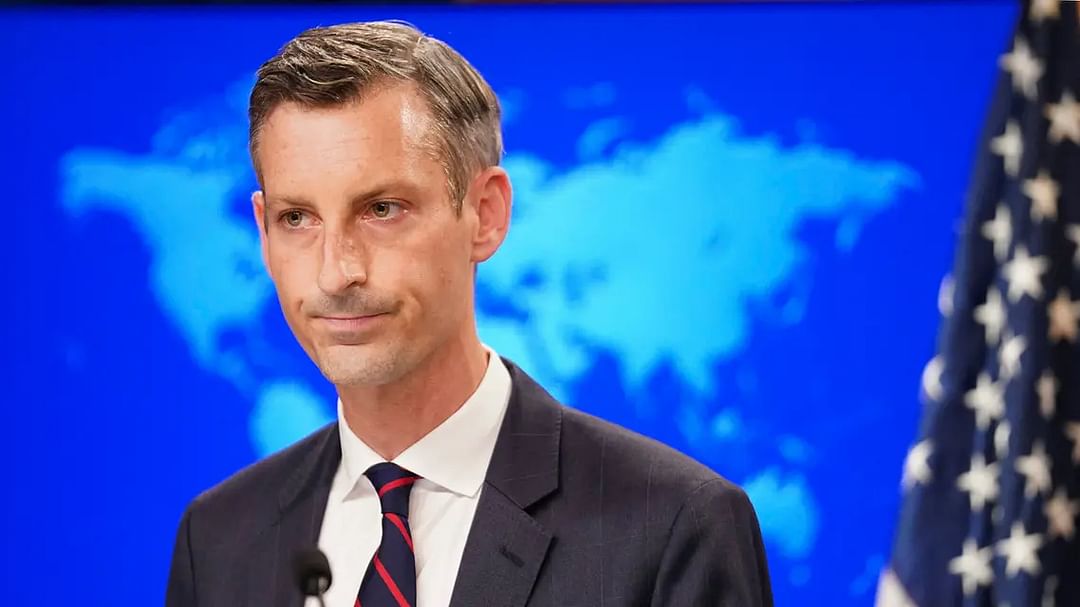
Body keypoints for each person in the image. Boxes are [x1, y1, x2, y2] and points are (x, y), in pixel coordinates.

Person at [165, 21, 772, 607]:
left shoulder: (673, 529)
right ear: (263, 231)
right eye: (296, 218)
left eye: (382, 209)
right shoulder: (218, 539)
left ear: (485, 214)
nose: (335, 272)